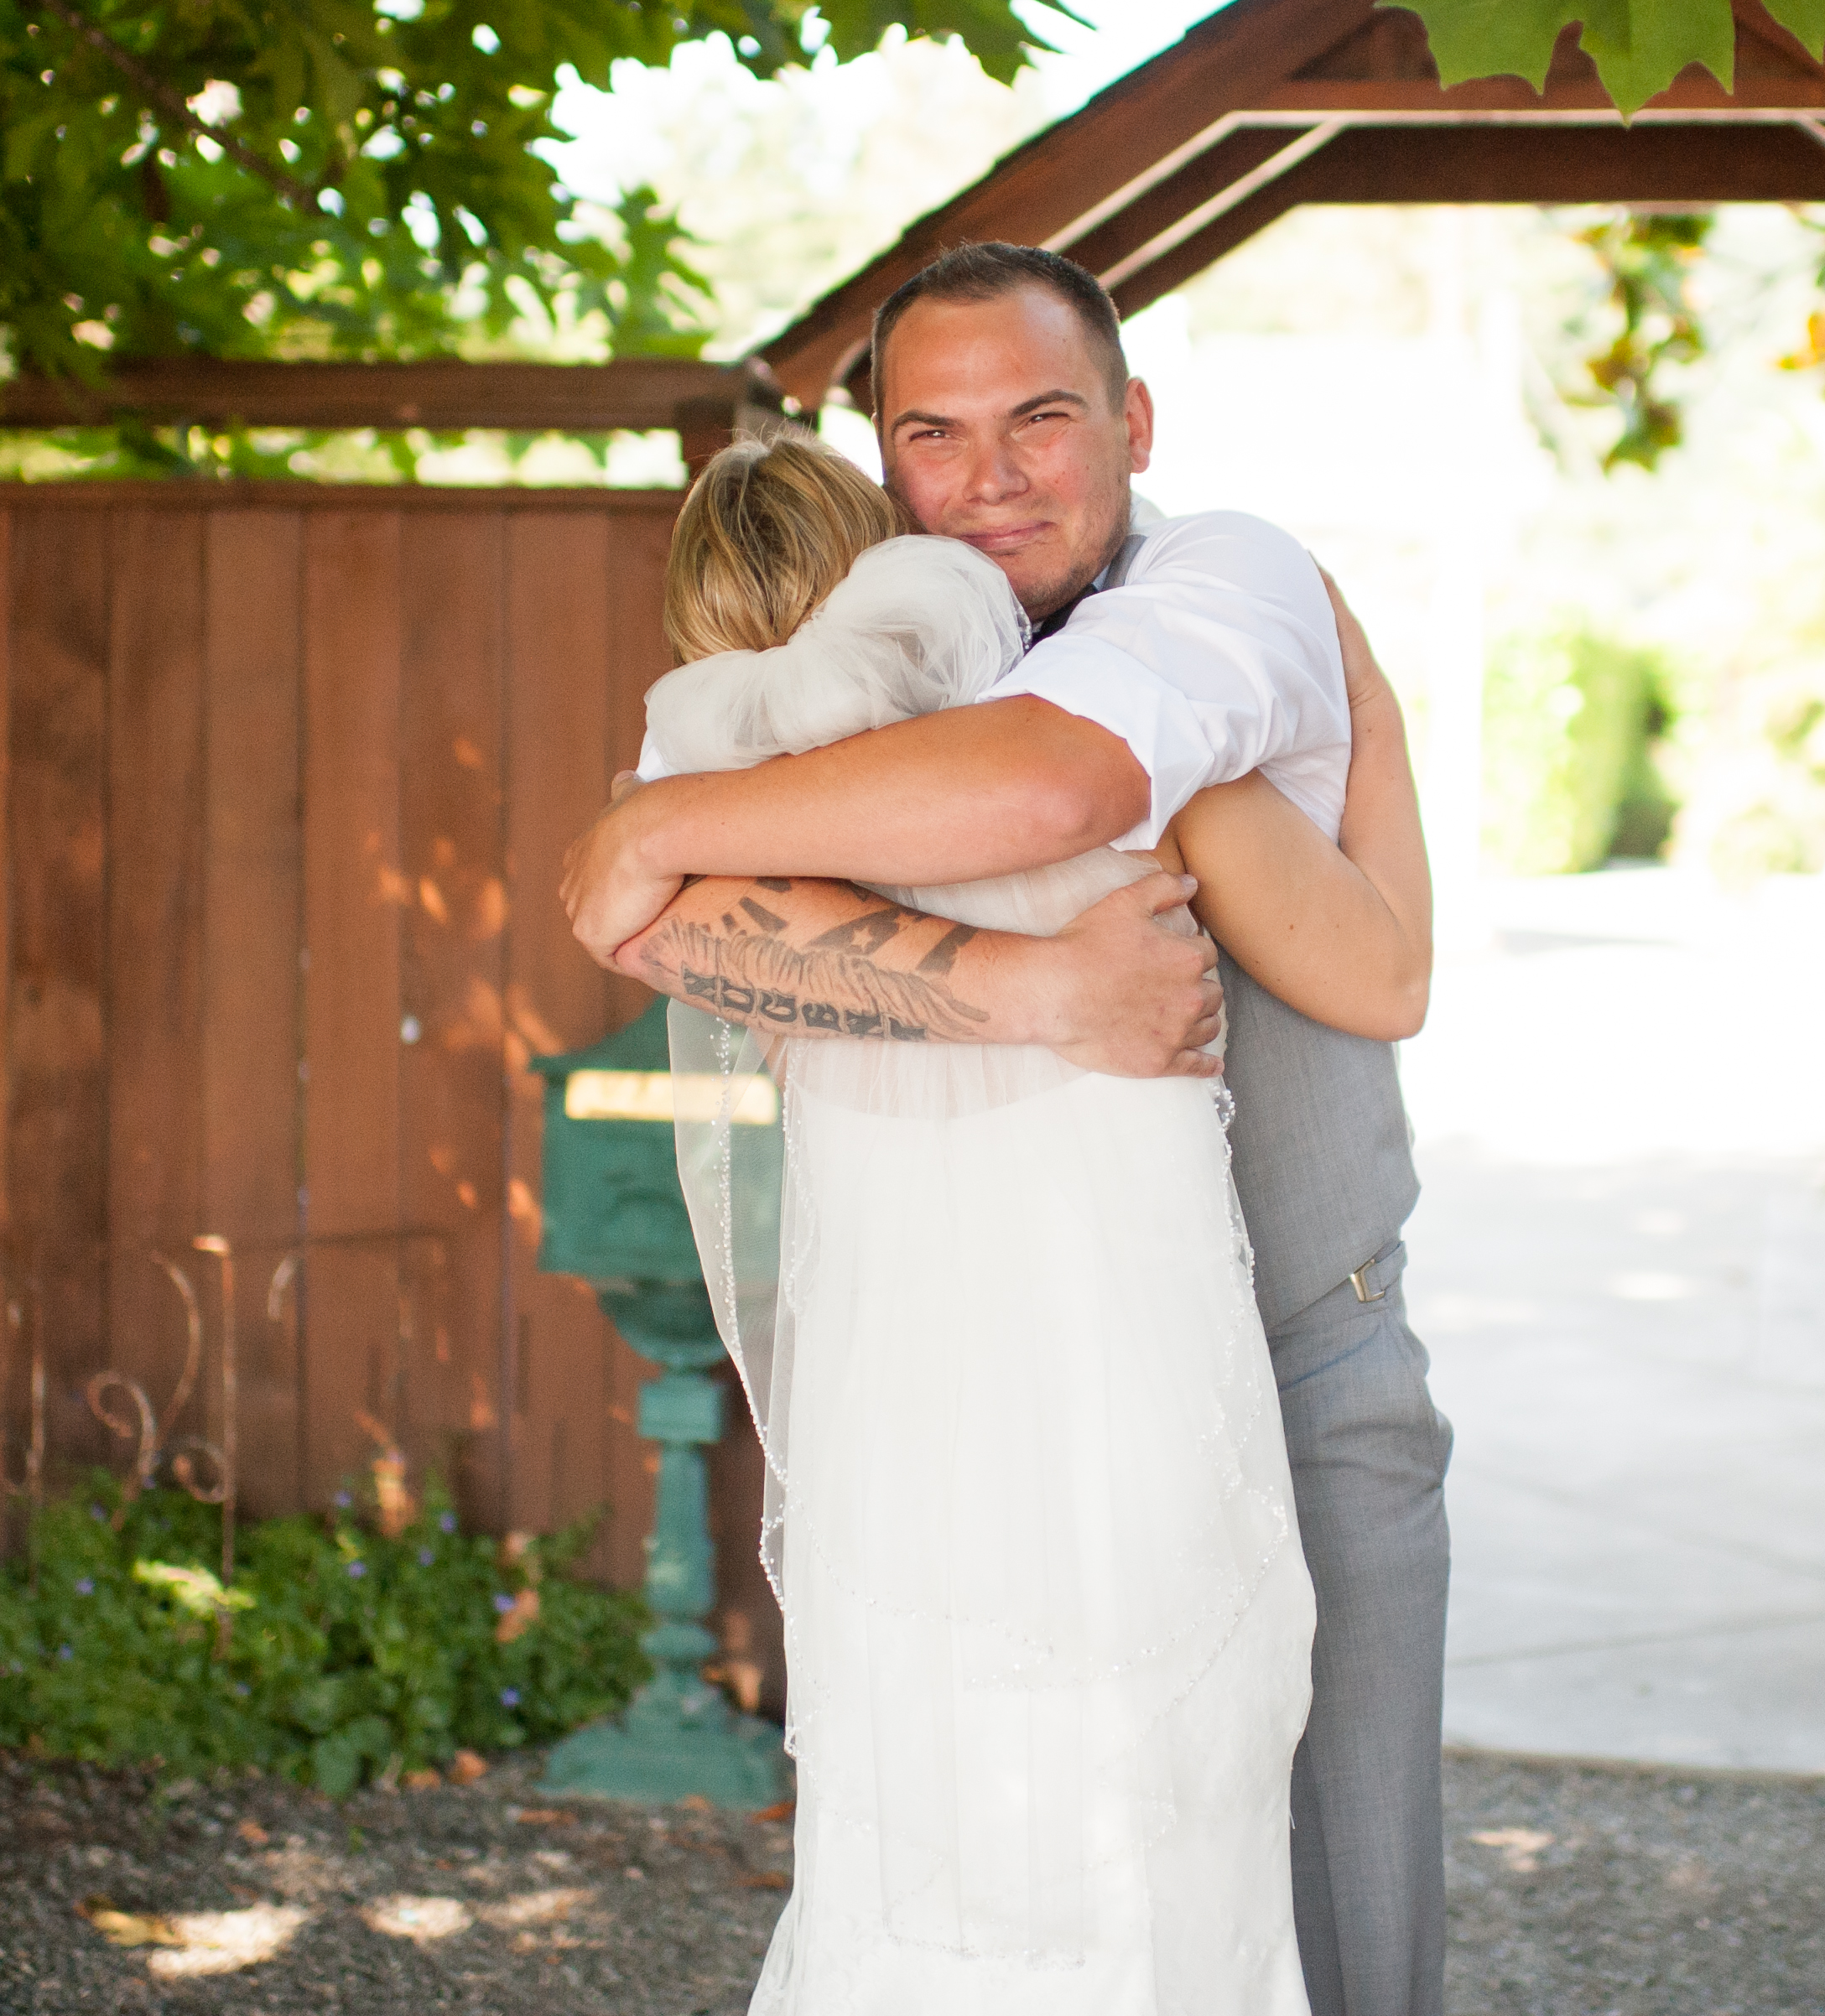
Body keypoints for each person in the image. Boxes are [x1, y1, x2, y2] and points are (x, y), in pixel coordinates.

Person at [566, 242, 1453, 2016]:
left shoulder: (1216, 588)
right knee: (1026, 1897)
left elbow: (1058, 782)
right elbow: (633, 916)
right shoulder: (838, 715)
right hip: (974, 1425)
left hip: (1289, 1358)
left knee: (1333, 1922)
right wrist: (1021, 985)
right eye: (935, 436)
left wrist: (668, 821)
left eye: (1040, 422)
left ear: (1130, 420)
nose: (989, 477)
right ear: (881, 464)